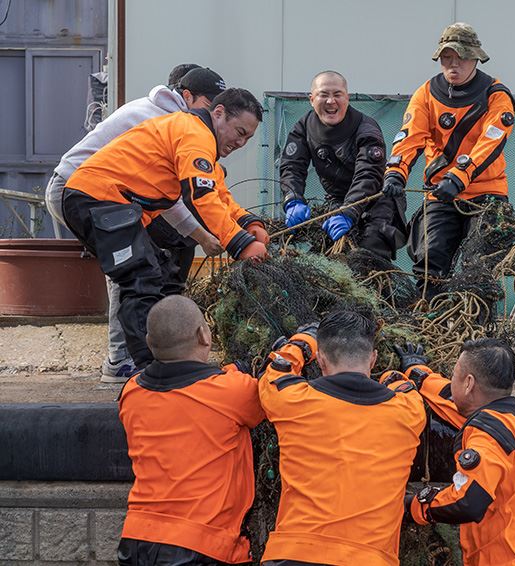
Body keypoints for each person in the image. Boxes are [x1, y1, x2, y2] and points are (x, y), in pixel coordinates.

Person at [62, 87, 269, 368]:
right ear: (218, 113)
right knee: (142, 278)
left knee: (159, 274)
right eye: (240, 131)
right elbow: (201, 195)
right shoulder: (194, 133)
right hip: (96, 199)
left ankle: (165, 360)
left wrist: (248, 223)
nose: (241, 142)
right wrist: (240, 244)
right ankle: (149, 369)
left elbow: (218, 193)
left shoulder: (199, 141)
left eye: (248, 138)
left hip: (109, 204)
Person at [45, 64, 227, 383]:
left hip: (106, 194)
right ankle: (123, 360)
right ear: (187, 97)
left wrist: (200, 235)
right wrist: (205, 233)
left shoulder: (172, 119)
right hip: (77, 189)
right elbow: (173, 204)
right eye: (211, 106)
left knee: (162, 254)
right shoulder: (167, 123)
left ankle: (160, 347)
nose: (216, 117)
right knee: (130, 266)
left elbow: (165, 198)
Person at [257, 311, 426, 565]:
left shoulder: (292, 400)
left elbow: (275, 372)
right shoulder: (409, 412)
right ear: (373, 359)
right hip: (369, 559)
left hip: (294, 554)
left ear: (321, 360)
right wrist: (402, 372)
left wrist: (303, 343)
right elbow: (404, 387)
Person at [117, 295, 265, 565]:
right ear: (204, 335)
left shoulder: (132, 391)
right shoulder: (232, 392)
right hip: (202, 546)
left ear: (149, 343)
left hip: (136, 540)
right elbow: (263, 398)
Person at [393, 339, 515, 566]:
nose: (451, 382)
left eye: (454, 374)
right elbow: (447, 397)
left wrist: (413, 507)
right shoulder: (511, 420)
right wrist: (418, 373)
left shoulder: (487, 435)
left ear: (469, 384)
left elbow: (467, 501)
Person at [382, 23, 515, 296]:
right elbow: (410, 136)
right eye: (447, 58)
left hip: (486, 194)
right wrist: (396, 171)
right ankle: (432, 322)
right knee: (430, 259)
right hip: (440, 195)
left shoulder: (496, 95)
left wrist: (459, 176)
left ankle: (476, 328)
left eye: (462, 58)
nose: (454, 65)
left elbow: (489, 143)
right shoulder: (426, 93)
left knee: (479, 265)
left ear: (476, 58)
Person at [280, 71, 408, 259]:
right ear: (312, 99)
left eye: (337, 94)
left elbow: (369, 175)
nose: (331, 101)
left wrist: (348, 213)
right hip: (337, 200)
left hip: (378, 199)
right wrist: (293, 199)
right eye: (324, 94)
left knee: (369, 253)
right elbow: (292, 166)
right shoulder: (304, 126)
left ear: (347, 98)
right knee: (329, 258)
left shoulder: (366, 128)